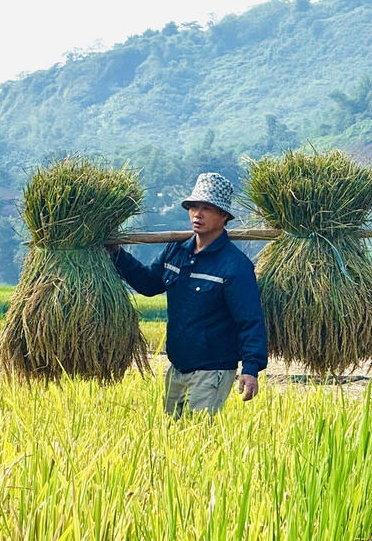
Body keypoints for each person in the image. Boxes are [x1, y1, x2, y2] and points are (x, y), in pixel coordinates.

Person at [109, 172, 267, 417]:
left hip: (212, 371)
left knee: (197, 434)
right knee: (172, 435)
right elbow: (149, 284)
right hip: (178, 368)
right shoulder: (176, 251)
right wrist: (117, 254)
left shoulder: (234, 266)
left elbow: (250, 320)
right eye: (193, 207)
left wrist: (251, 368)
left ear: (223, 216)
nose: (197, 214)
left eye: (206, 208)